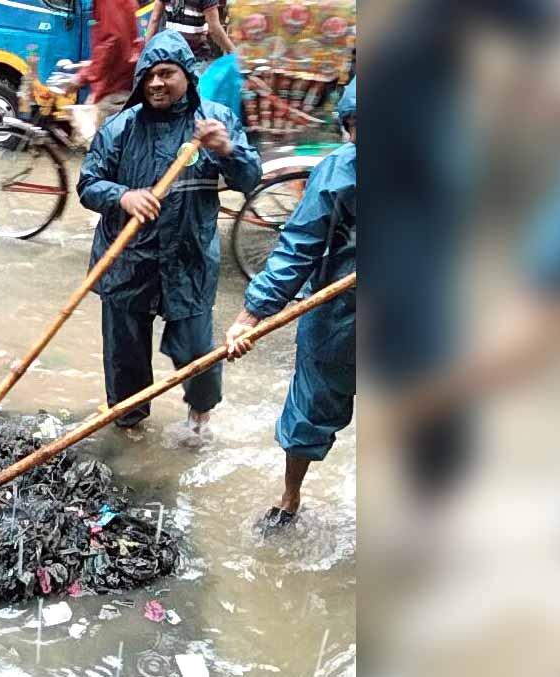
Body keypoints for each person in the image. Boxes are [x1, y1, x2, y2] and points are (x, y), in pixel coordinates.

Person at [79, 30, 261, 434]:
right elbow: (88, 184)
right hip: (127, 261)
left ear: (187, 76)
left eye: (166, 73)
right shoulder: (120, 128)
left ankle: (200, 425)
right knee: (125, 362)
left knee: (197, 355)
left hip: (189, 258)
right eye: (149, 75)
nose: (156, 83)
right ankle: (129, 432)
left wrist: (226, 150)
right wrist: (123, 196)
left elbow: (251, 179)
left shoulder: (214, 122)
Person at [224, 78, 356, 533]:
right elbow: (297, 247)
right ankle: (290, 498)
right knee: (307, 411)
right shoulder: (338, 173)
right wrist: (251, 315)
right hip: (338, 313)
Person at [65, 0, 142, 118]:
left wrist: (83, 76)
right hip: (120, 83)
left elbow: (112, 40)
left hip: (113, 89)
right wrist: (91, 65)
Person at [145, 0, 234, 63]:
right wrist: (232, 51)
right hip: (193, 55)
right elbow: (214, 29)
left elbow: (155, 19)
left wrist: (146, 51)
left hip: (169, 53)